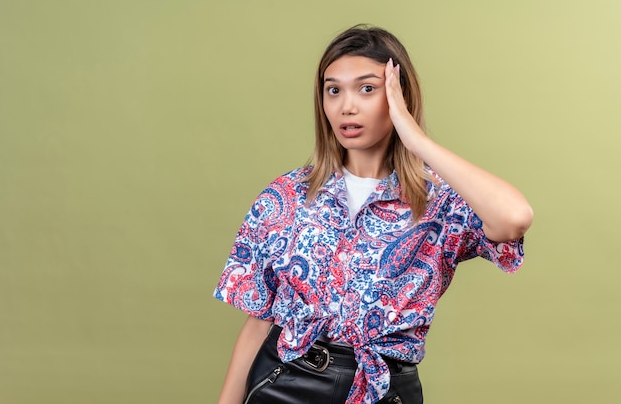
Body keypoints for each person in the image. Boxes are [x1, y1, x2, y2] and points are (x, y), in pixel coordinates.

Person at [213, 25, 533, 404]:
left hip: (385, 390)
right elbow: (259, 319)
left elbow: (514, 217)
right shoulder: (286, 196)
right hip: (286, 382)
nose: (347, 106)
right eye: (334, 90)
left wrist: (416, 139)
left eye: (367, 89)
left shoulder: (440, 203)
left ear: (399, 97)